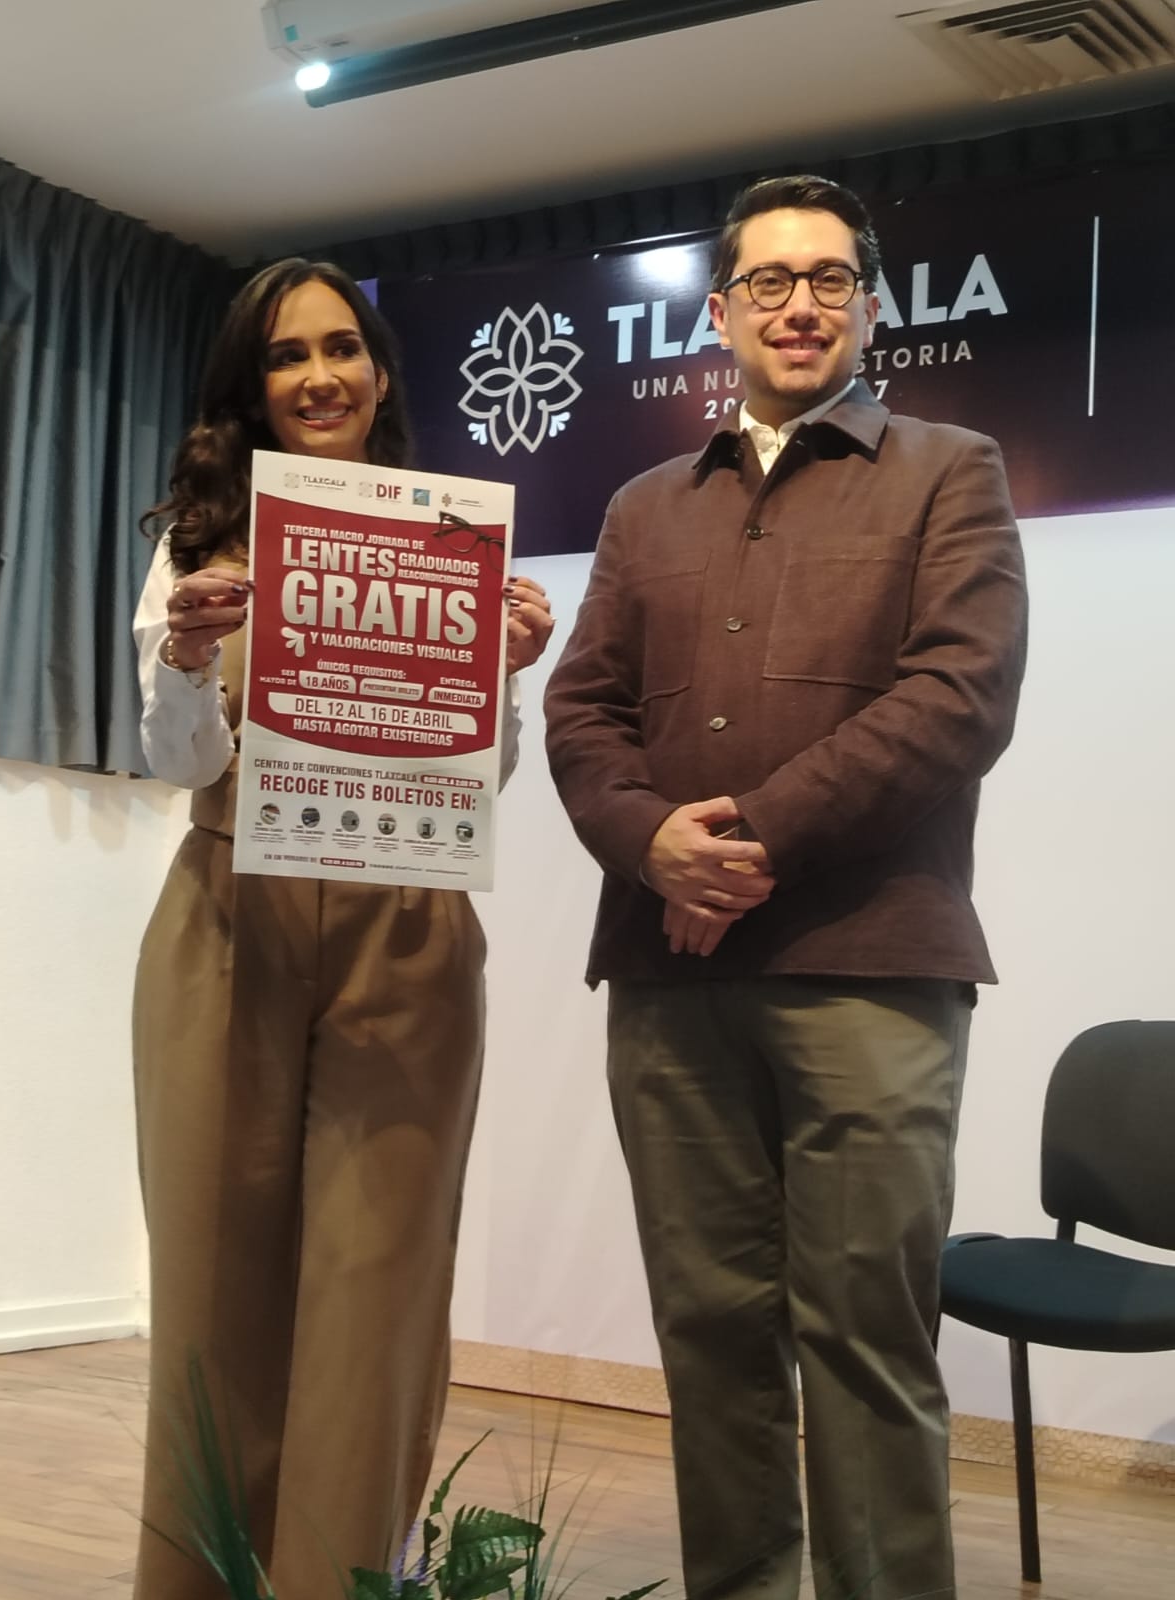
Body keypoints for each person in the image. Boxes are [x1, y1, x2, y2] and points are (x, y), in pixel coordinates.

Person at [543, 176, 1027, 1600]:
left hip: (873, 967)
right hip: (668, 975)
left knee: (867, 1340)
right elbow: (581, 713)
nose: (798, 305)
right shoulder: (643, 508)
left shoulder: (951, 469)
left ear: (871, 308)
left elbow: (960, 698)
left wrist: (742, 841)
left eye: (828, 280)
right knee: (709, 1334)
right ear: (721, 312)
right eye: (769, 281)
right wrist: (651, 844)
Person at [131, 257, 553, 1600]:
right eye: (285, 355)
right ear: (250, 387)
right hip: (228, 919)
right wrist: (184, 659)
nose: (318, 376)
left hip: (408, 926)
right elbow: (180, 764)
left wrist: (502, 678)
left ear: (379, 372)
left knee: (379, 1292)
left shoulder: (451, 538)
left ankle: (346, 1582)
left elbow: (481, 783)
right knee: (211, 1287)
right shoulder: (197, 546)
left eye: (340, 348)